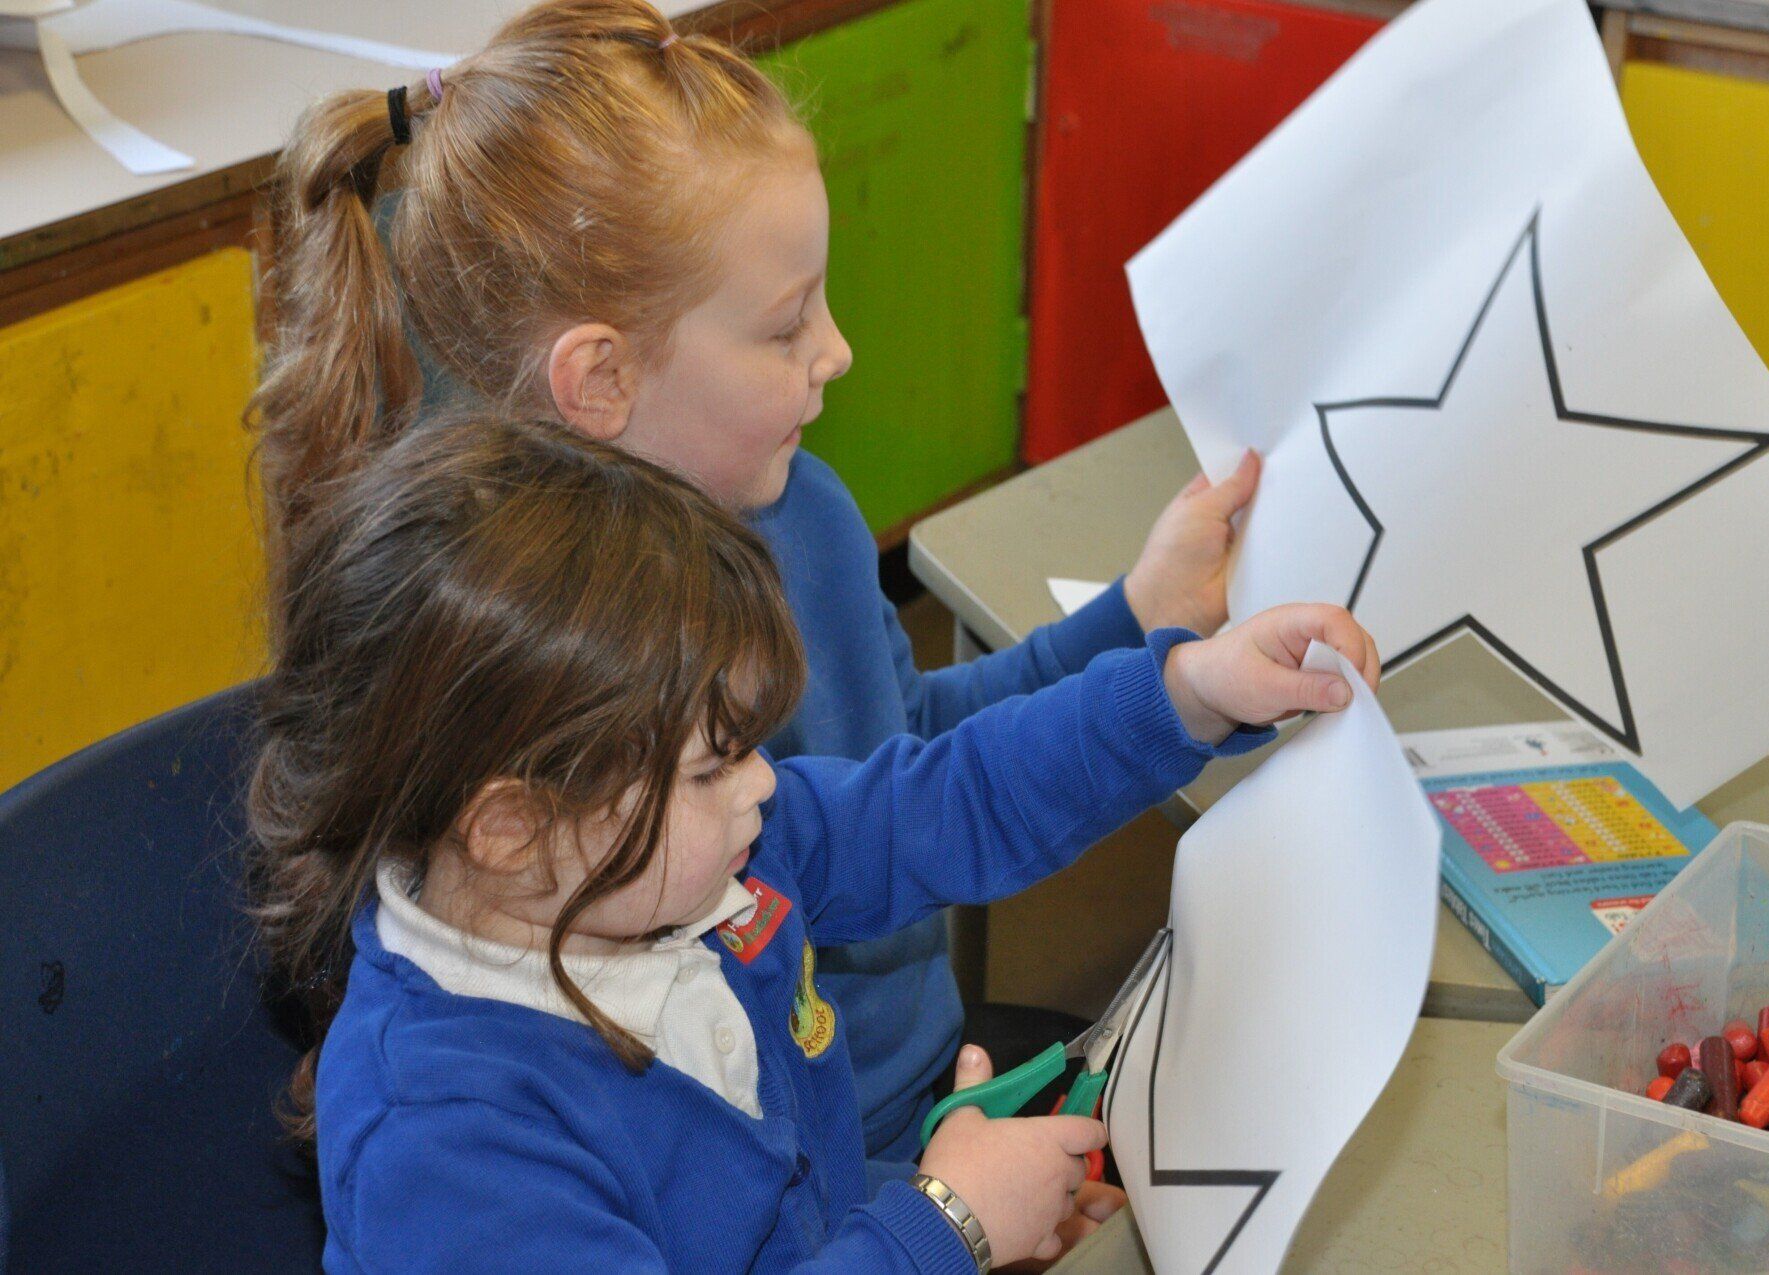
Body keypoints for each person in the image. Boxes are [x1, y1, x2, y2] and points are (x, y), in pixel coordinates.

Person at [246, 0, 1269, 1186]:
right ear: (601, 376)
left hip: (906, 1116)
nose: (836, 352)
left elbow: (907, 755)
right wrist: (944, 1219)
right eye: (787, 327)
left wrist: (1139, 623)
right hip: (805, 1164)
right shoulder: (534, 681)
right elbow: (697, 1185)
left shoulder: (801, 510)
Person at [249, 415, 1375, 1273]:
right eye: (712, 765)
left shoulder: (672, 869)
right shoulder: (445, 1145)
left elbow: (950, 798)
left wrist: (1184, 695)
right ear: (512, 829)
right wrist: (942, 1224)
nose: (762, 784)